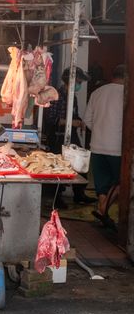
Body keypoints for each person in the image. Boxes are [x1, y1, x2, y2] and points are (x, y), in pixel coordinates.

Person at [45, 66, 96, 207]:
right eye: (79, 82)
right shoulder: (56, 95)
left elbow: (74, 114)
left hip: (71, 133)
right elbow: (51, 119)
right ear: (70, 80)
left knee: (80, 161)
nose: (80, 85)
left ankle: (79, 194)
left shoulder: (73, 96)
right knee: (58, 165)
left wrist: (79, 122)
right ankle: (56, 197)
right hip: (57, 135)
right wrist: (71, 122)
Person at [83, 64, 125, 229]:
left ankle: (102, 211)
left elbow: (87, 120)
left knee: (102, 185)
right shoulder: (127, 94)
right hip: (118, 149)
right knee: (122, 182)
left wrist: (101, 131)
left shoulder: (97, 92)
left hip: (97, 146)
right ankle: (103, 210)